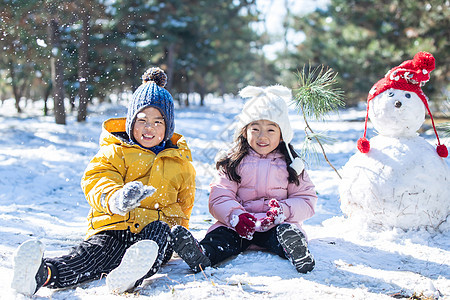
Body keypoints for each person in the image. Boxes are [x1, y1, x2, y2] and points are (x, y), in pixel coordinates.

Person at [11, 67, 196, 295]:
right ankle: (41, 274)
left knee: (156, 236)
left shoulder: (180, 163)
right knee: (90, 256)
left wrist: (178, 234)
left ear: (168, 127)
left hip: (153, 232)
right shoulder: (115, 152)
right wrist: (115, 198)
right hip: (114, 225)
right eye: (142, 120)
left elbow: (183, 206)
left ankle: (131, 276)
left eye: (158, 122)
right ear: (130, 122)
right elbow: (97, 179)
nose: (149, 128)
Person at [170, 85, 317, 274]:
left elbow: (306, 200)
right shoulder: (233, 161)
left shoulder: (292, 165)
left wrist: (284, 211)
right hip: (238, 226)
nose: (262, 136)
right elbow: (219, 196)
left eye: (271, 130)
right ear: (244, 131)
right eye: (255, 128)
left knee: (284, 235)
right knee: (221, 237)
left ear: (282, 135)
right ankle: (202, 254)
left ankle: (296, 250)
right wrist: (234, 216)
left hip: (276, 224)